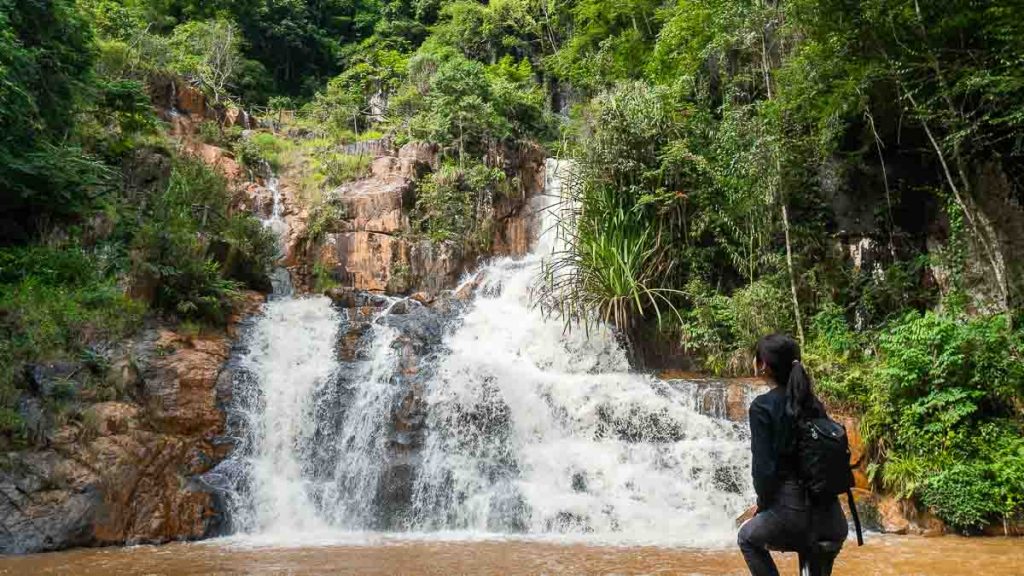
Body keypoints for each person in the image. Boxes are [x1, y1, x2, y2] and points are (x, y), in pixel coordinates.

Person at [737, 333, 848, 576]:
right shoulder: (812, 403)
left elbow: (764, 472)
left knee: (747, 537)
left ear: (763, 364)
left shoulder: (762, 407)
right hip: (832, 519)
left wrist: (763, 507)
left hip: (793, 515)